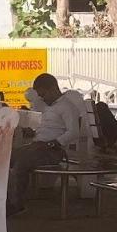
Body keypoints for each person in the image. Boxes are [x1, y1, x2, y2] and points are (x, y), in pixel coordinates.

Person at [8, 72, 87, 213]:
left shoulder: (67, 107)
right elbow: (46, 128)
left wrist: (54, 143)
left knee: (22, 164)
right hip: (37, 146)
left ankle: (16, 205)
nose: (41, 98)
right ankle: (6, 199)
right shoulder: (48, 107)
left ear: (52, 89)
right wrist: (32, 132)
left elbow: (73, 132)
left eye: (43, 94)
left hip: (52, 150)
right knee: (6, 158)